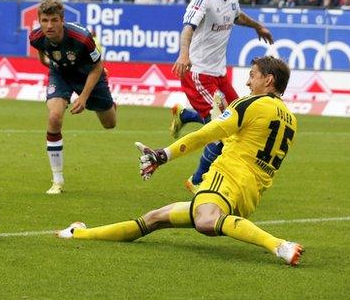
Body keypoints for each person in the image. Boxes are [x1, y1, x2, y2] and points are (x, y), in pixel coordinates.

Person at [57, 56, 304, 266]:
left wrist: (164, 154)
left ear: (268, 80)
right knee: (154, 218)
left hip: (226, 179)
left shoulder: (250, 103)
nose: (248, 82)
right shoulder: (291, 119)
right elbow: (251, 149)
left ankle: (279, 246)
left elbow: (206, 133)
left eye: (253, 76)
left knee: (206, 221)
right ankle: (79, 233)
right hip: (248, 194)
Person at [170, 0, 273, 193]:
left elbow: (236, 15)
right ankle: (196, 181)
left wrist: (257, 26)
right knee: (223, 131)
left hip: (218, 73)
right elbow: (187, 27)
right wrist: (184, 54)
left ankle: (185, 115)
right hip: (197, 73)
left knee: (238, 119)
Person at [29, 0, 116, 194]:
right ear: (39, 21)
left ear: (62, 20)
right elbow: (42, 54)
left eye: (53, 20)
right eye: (44, 20)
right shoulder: (36, 37)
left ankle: (110, 105)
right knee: (54, 117)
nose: (49, 25)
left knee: (110, 123)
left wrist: (83, 98)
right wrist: (52, 67)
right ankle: (57, 180)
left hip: (89, 74)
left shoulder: (82, 37)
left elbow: (97, 67)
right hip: (60, 74)